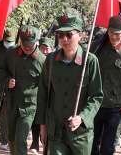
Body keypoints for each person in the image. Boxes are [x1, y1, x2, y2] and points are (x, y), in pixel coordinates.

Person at [36, 13, 103, 155]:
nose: (64, 39)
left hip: (80, 135)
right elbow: (43, 94)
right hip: (56, 131)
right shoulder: (51, 60)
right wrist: (43, 126)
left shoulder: (89, 61)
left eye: (69, 34)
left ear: (80, 35)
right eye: (60, 35)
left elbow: (96, 96)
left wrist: (82, 117)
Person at [89, 16, 121, 155]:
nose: (114, 36)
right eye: (111, 32)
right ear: (107, 31)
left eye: (118, 33)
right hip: (94, 104)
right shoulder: (97, 46)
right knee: (91, 144)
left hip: (114, 107)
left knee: (108, 147)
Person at [0, 25, 46, 155]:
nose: (27, 48)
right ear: (20, 41)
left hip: (29, 107)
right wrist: (7, 80)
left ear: (37, 41)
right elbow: (1, 69)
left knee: (20, 139)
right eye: (24, 45)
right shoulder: (11, 52)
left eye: (30, 46)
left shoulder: (42, 61)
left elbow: (46, 87)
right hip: (12, 103)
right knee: (11, 138)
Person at [0, 28, 16, 150]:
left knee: (5, 114)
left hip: (9, 87)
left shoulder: (16, 50)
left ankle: (4, 140)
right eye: (6, 40)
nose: (8, 42)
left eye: (10, 41)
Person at [29, 36, 54, 154]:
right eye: (42, 48)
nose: (44, 51)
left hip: (50, 97)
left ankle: (44, 143)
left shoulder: (55, 62)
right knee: (36, 120)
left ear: (52, 49)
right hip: (36, 96)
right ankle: (35, 143)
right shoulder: (35, 59)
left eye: (46, 49)